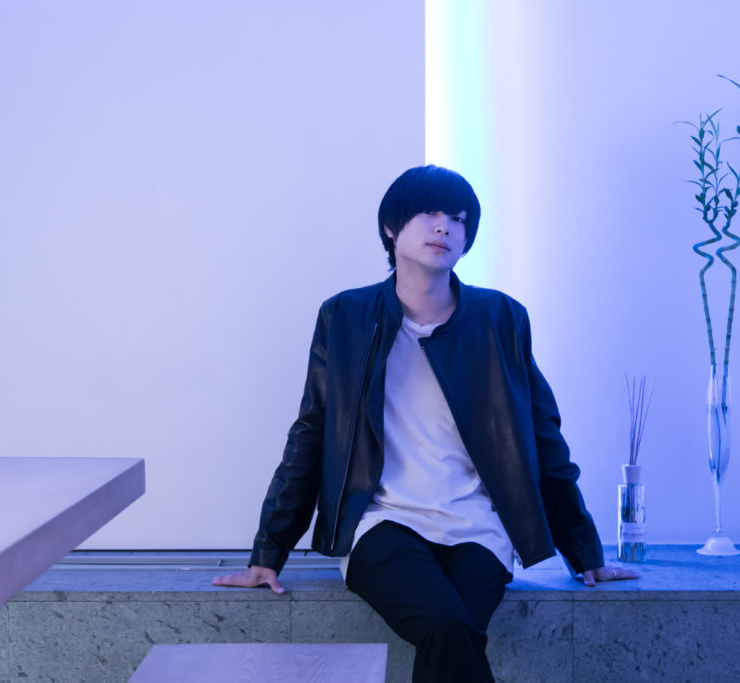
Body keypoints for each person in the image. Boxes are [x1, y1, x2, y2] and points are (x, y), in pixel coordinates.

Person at [213, 165, 637, 682]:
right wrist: (269, 551)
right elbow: (312, 433)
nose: (445, 227)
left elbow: (543, 439)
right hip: (381, 521)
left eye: (458, 219)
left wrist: (584, 551)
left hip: (478, 527)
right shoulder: (344, 316)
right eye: (430, 213)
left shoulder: (501, 318)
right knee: (446, 626)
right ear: (391, 228)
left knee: (450, 634)